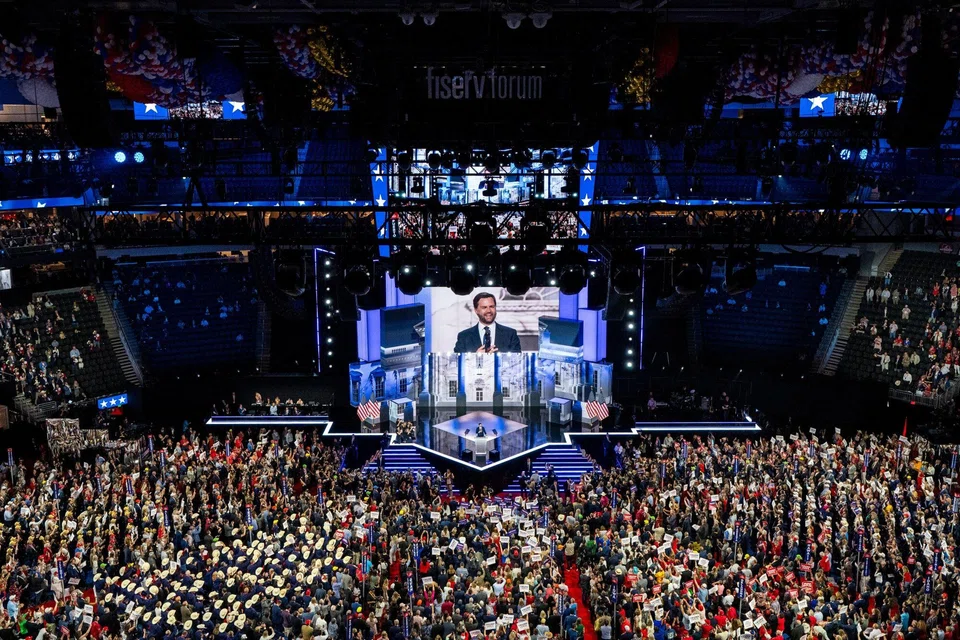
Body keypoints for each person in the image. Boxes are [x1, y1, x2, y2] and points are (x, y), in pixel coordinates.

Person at [452, 292, 522, 353]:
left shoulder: (510, 334)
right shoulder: (464, 336)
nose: (489, 311)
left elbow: (517, 362)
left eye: (491, 306)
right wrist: (475, 357)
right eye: (484, 307)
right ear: (476, 310)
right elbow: (456, 363)